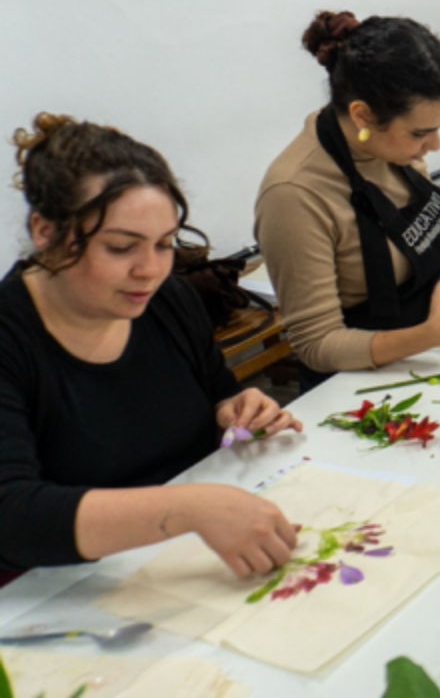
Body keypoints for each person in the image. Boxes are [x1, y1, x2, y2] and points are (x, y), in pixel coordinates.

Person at [0, 114, 304, 581]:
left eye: (164, 244)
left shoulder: (168, 299)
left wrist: (237, 408)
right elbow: (13, 516)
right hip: (67, 590)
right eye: (122, 247)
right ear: (45, 232)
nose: (150, 269)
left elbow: (216, 391)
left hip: (185, 559)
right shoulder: (12, 338)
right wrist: (190, 508)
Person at [255, 11, 440, 389]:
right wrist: (432, 333)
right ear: (362, 115)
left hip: (435, 349)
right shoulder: (294, 196)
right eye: (420, 133)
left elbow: (417, 234)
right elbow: (316, 344)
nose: (435, 146)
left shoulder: (391, 147)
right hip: (360, 383)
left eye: (439, 129)